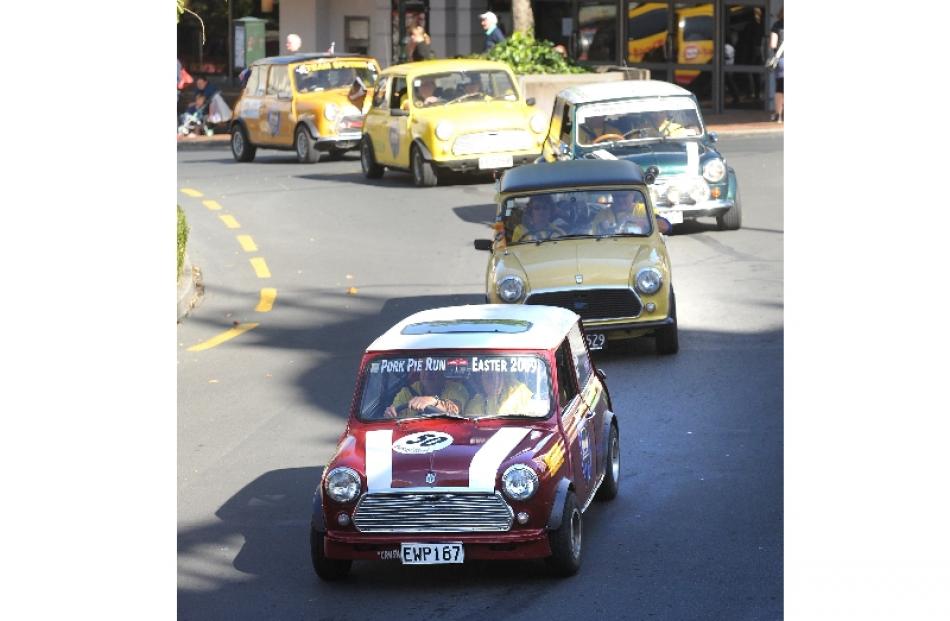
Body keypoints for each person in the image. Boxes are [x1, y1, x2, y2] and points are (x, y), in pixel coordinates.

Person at [384, 368, 469, 418]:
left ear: (442, 372)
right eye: (424, 367)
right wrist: (390, 414)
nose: (428, 372)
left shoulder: (456, 388)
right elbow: (395, 411)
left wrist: (433, 401)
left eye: (433, 368)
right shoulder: (407, 392)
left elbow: (455, 410)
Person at [464, 369, 533, 417]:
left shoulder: (520, 394)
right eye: (489, 376)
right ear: (481, 379)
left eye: (499, 375)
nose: (496, 382)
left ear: (504, 377)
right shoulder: (474, 405)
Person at [768, 8, 784, 123]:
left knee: (780, 88)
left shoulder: (777, 25)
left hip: (782, 60)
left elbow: (772, 44)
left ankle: (779, 115)